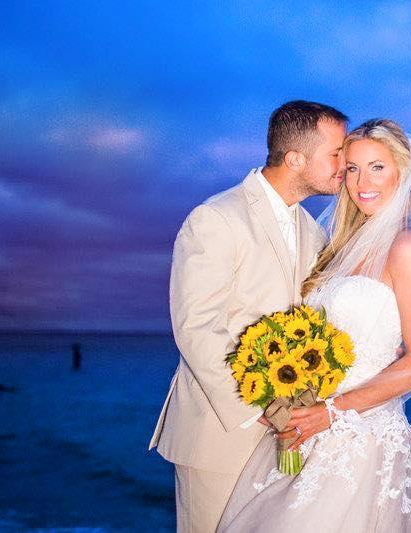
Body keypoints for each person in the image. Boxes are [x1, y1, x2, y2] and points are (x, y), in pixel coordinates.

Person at [218, 119, 411, 532]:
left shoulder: (406, 248)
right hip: (308, 428)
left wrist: (332, 412)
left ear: (403, 172)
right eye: (352, 168)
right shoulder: (339, 250)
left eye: (377, 167)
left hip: (362, 438)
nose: (362, 182)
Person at [148, 100, 349, 532]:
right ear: (295, 158)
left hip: (289, 432)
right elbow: (196, 326)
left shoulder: (312, 229)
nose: (344, 164)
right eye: (336, 153)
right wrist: (262, 404)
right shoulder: (216, 218)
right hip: (221, 434)